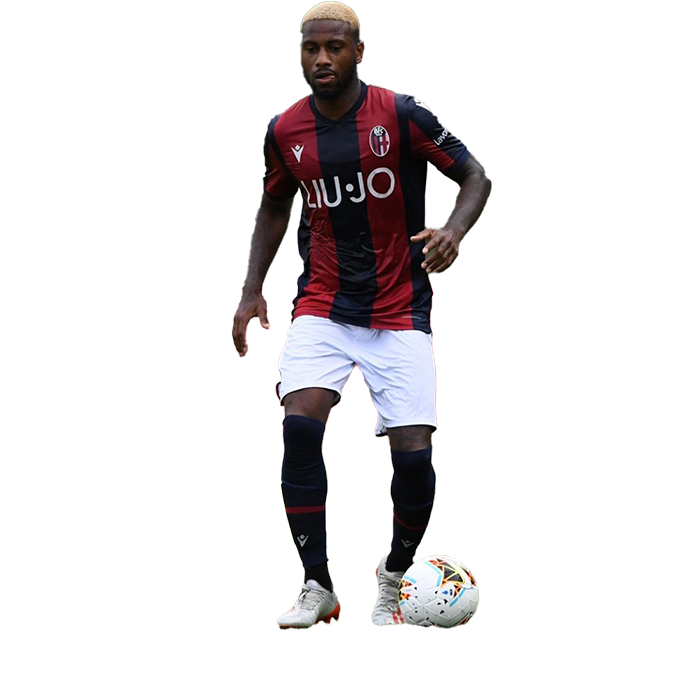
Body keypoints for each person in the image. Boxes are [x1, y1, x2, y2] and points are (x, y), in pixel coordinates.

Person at [232, 1, 491, 629]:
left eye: (335, 47)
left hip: (400, 308)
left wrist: (455, 230)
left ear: (358, 51)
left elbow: (475, 176)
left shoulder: (402, 114)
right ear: (301, 54)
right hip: (322, 304)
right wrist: (251, 290)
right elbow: (273, 205)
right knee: (299, 428)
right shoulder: (285, 130)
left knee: (413, 459)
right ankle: (316, 586)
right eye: (311, 48)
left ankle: (395, 576)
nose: (322, 58)